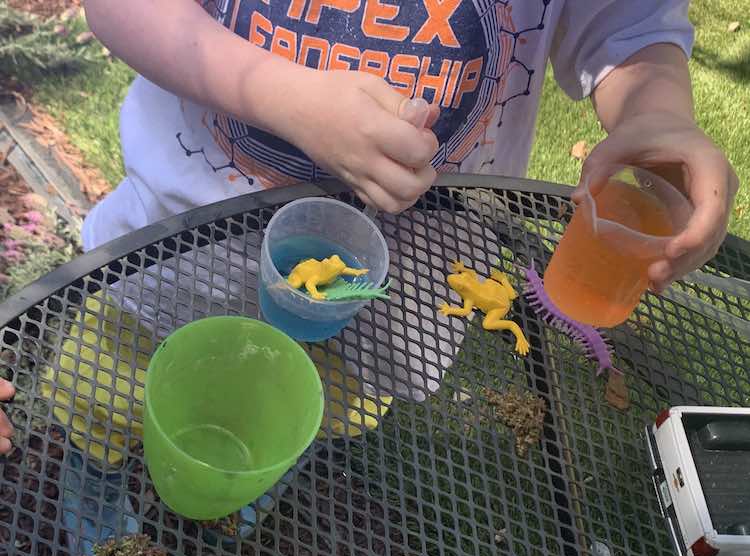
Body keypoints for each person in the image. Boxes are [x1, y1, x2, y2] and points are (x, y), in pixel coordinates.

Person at [0, 0, 739, 455]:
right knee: (106, 395)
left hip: (390, 291)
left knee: (304, 415)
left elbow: (629, 28)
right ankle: (90, 472)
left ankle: (270, 471)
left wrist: (657, 115)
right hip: (177, 251)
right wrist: (285, 98)